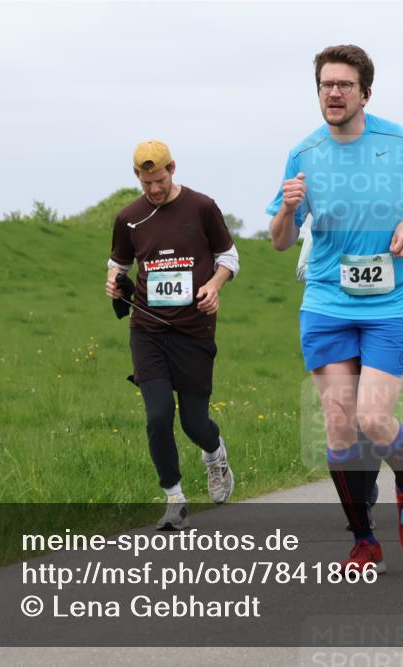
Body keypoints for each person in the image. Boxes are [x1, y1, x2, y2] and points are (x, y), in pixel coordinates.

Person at [267, 45, 403, 571]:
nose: (334, 93)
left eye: (345, 85)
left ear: (365, 93)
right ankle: (364, 538)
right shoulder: (303, 154)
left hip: (394, 301)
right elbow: (279, 240)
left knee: (372, 416)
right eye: (326, 85)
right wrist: (290, 210)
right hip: (327, 299)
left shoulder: (400, 140)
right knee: (340, 424)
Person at [106, 140, 238, 529]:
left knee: (194, 423)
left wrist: (214, 286)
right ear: (137, 177)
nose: (155, 190)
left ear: (173, 169)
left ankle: (215, 457)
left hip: (194, 329)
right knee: (158, 415)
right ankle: (175, 499)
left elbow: (229, 258)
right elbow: (117, 264)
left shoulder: (201, 207)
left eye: (160, 180)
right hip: (146, 328)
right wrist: (113, 284)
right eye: (147, 183)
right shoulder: (129, 217)